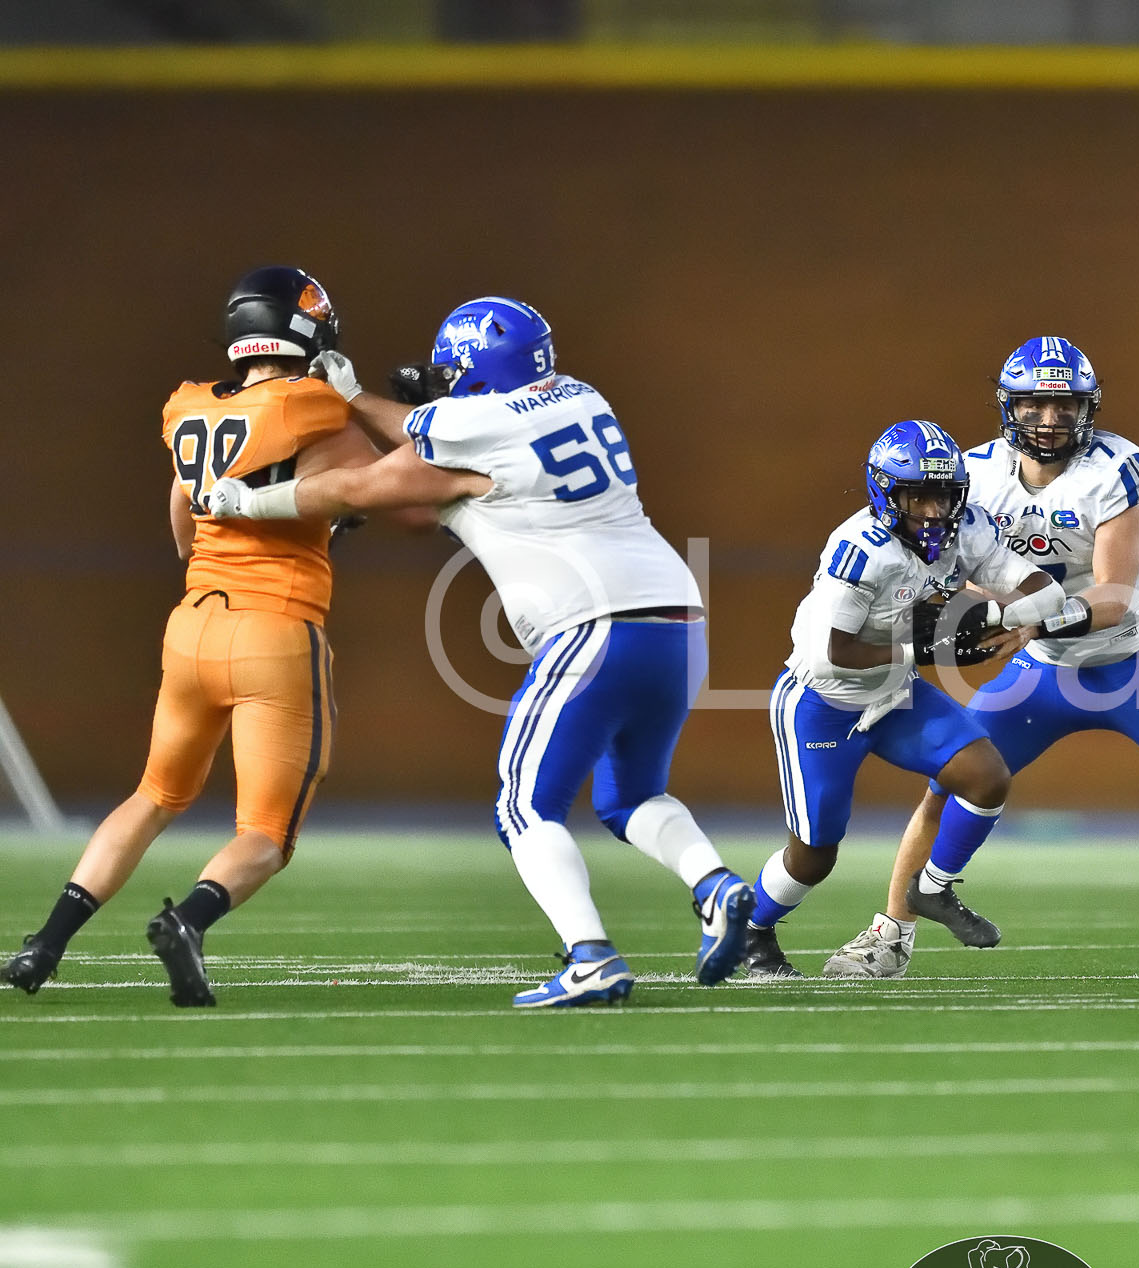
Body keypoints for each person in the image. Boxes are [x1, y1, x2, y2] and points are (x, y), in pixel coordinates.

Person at [203, 297, 755, 1007]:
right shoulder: (581, 395)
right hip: (678, 622)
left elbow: (364, 482)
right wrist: (410, 410)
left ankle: (590, 956)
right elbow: (446, 452)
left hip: (591, 626)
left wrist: (256, 494)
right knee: (630, 796)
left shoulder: (474, 427)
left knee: (524, 808)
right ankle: (715, 886)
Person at [821, 337, 1139, 981]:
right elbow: (953, 570)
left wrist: (1021, 618)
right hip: (1042, 668)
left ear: (1087, 408)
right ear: (1008, 406)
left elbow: (1113, 597)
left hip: (1132, 665)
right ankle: (889, 936)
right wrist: (978, 610)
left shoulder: (1115, 470)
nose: (1049, 419)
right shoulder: (974, 474)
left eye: (1064, 404)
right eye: (1034, 404)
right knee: (950, 782)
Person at [4, 266, 384, 1006]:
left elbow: (185, 516)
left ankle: (45, 944)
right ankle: (189, 920)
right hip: (275, 626)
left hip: (193, 625)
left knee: (153, 795)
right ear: (307, 330)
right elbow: (389, 485)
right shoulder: (315, 403)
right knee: (267, 830)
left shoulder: (191, 407)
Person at [744, 420, 1063, 978]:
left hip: (895, 695)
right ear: (887, 493)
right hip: (822, 702)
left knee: (987, 776)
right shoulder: (860, 549)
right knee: (814, 855)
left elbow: (1048, 592)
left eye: (944, 496)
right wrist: (924, 646)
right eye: (919, 497)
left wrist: (993, 615)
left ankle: (932, 888)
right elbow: (829, 655)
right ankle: (751, 929)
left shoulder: (968, 529)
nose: (934, 512)